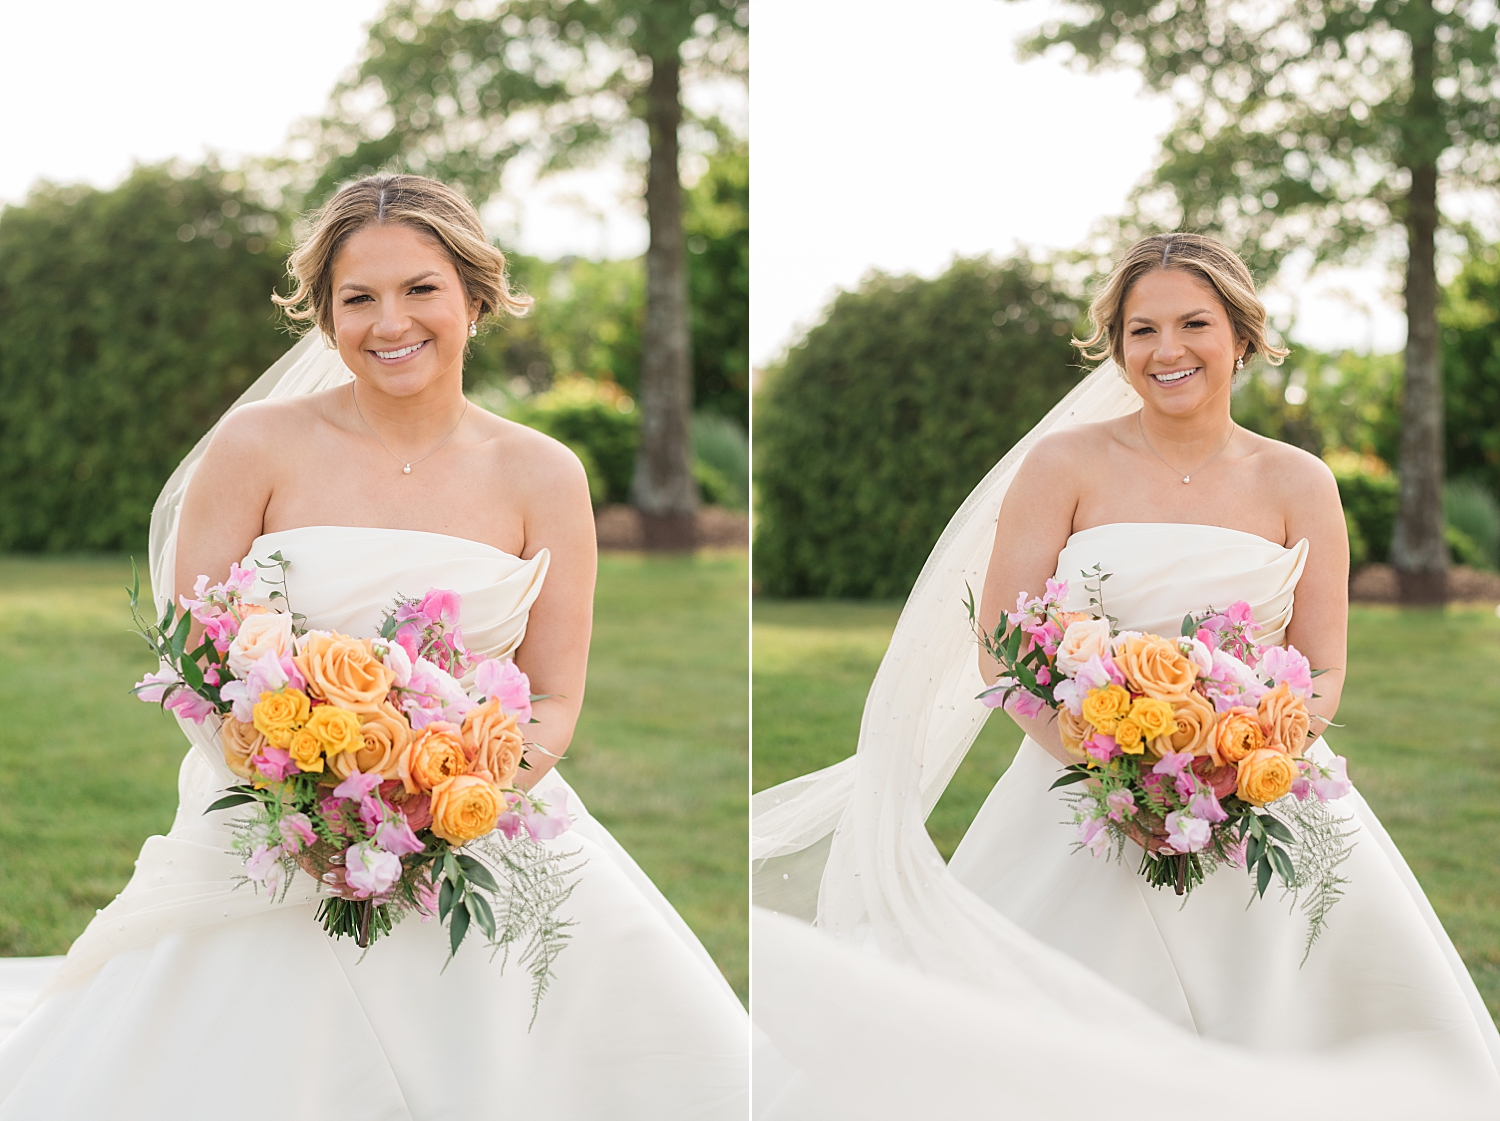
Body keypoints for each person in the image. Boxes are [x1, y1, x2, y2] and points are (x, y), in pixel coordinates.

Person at [0, 174, 747, 1119]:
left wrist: (449, 806)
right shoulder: (254, 449)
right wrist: (310, 805)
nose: (391, 321)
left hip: (477, 826)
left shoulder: (544, 474)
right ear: (325, 317)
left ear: (475, 296)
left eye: (421, 288)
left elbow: (554, 694)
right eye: (358, 297)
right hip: (277, 822)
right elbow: (196, 663)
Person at [750, 234, 1500, 1117]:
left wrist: (1241, 753)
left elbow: (1324, 665)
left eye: (1194, 323)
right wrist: (1112, 767)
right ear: (1115, 344)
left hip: (1259, 790)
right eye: (1141, 328)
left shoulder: (1300, 480)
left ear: (1242, 334)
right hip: (1078, 788)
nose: (1167, 349)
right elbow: (1000, 644)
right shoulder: (1064, 465)